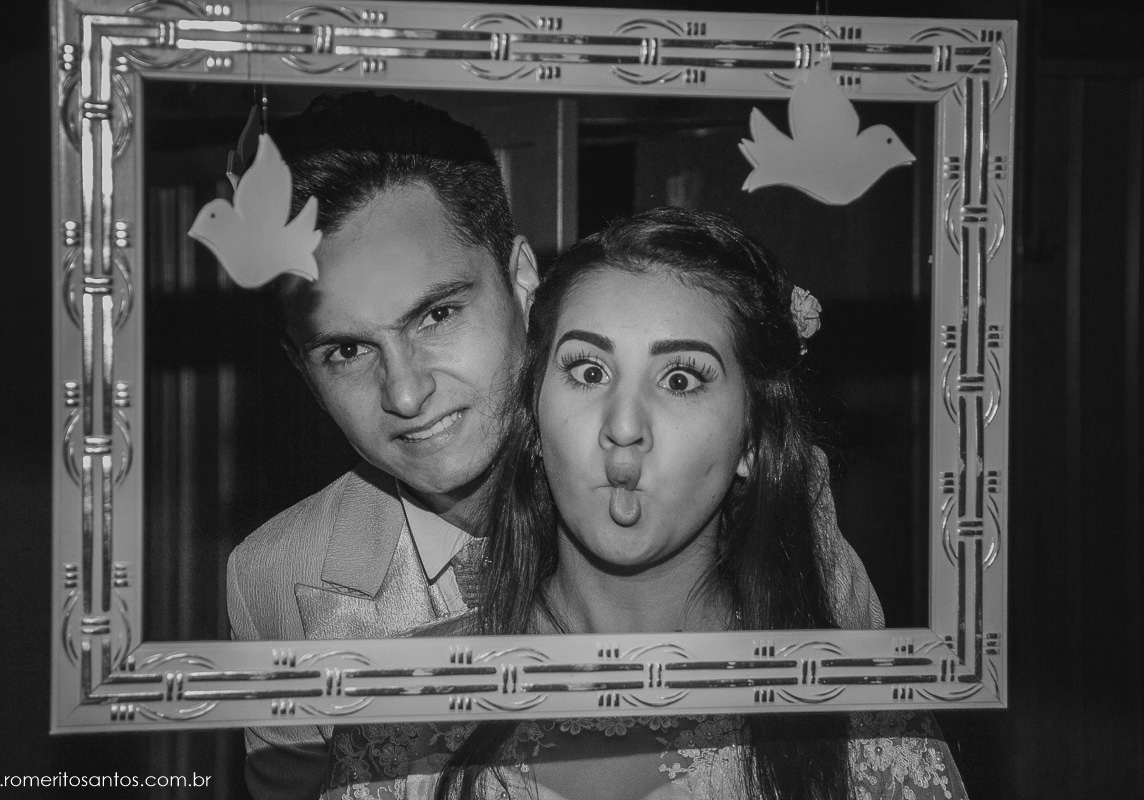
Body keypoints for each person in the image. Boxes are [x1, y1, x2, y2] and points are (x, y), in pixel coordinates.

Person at [222, 93, 883, 800]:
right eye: (347, 350)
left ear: (521, 279)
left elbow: (859, 742)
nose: (406, 394)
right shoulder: (276, 580)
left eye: (438, 314)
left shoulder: (759, 490)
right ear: (301, 368)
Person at [320, 208, 965, 800]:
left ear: (752, 440)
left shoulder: (861, 720)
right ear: (535, 415)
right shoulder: (404, 712)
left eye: (680, 379)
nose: (624, 426)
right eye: (589, 372)